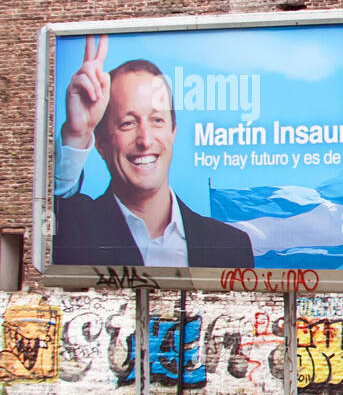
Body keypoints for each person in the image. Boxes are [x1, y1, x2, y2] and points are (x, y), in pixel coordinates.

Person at [51, 35, 254, 268]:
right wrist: (77, 134)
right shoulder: (75, 228)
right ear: (101, 143)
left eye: (157, 120)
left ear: (173, 131)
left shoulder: (230, 245)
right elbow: (47, 219)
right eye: (128, 123)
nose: (145, 140)